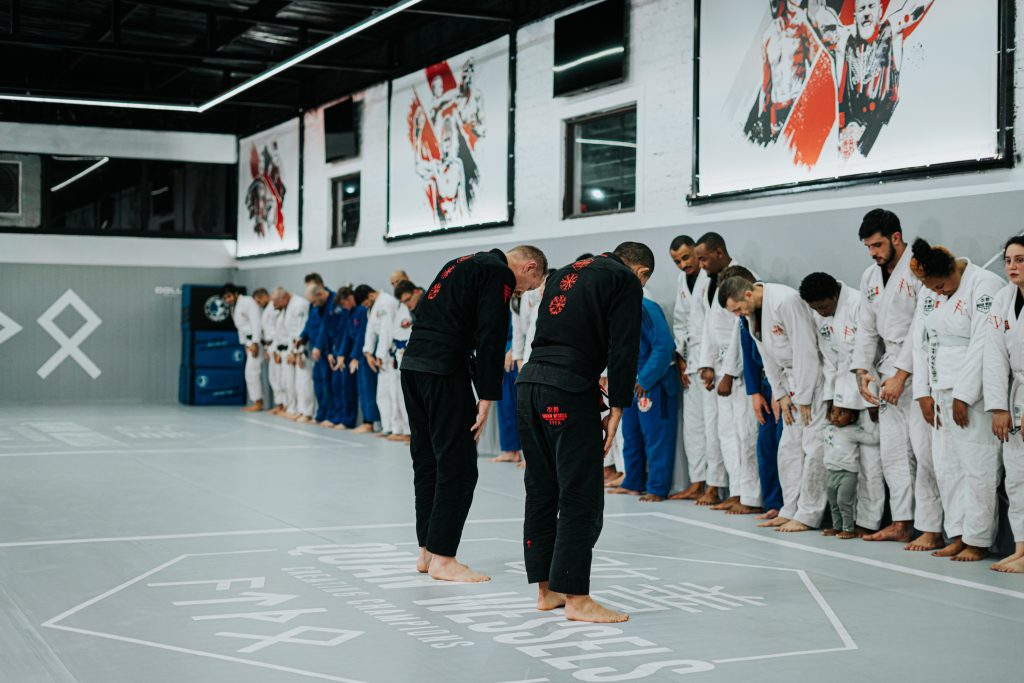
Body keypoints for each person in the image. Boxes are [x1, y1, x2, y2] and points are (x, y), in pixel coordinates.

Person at [401, 245, 546, 583]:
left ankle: (427, 551)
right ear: (528, 266)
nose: (520, 292)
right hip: (443, 370)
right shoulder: (498, 273)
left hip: (413, 366)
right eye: (527, 286)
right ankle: (444, 559)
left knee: (429, 461)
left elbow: (424, 310)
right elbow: (491, 333)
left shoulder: (460, 262)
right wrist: (488, 394)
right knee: (459, 465)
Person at [518, 244, 645, 623]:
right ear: (640, 272)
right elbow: (625, 346)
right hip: (568, 390)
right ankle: (577, 599)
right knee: (580, 494)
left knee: (541, 489)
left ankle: (547, 591)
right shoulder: (624, 280)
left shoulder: (562, 273)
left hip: (529, 386)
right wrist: (618, 405)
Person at [910, 238, 1003, 562]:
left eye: (942, 286)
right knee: (946, 467)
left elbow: (984, 343)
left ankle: (978, 539)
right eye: (932, 288)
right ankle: (958, 534)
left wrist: (963, 395)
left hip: (972, 393)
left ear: (953, 270)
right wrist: (922, 391)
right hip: (938, 389)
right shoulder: (929, 289)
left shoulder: (985, 284)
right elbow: (920, 342)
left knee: (978, 467)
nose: (938, 293)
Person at [852, 209, 932, 544]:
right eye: (868, 247)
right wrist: (862, 370)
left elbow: (922, 326)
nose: (873, 252)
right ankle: (902, 521)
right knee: (893, 453)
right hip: (887, 373)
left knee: (925, 452)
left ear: (896, 238)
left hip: (919, 370)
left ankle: (932, 527)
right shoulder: (870, 276)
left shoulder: (919, 269)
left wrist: (902, 374)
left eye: (877, 244)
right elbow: (866, 329)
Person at [719, 276, 825, 532]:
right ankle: (789, 508)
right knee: (788, 449)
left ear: (747, 294)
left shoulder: (785, 301)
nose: (737, 316)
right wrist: (780, 395)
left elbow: (806, 350)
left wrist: (804, 396)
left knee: (813, 448)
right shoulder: (751, 315)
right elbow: (767, 356)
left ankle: (809, 514)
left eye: (736, 310)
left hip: (812, 382)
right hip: (788, 384)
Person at [800, 272, 885, 537]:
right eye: (815, 309)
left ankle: (868, 521)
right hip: (840, 395)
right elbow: (829, 362)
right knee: (842, 464)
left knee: (871, 465)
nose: (820, 313)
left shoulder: (859, 304)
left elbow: (871, 353)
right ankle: (844, 520)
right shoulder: (819, 315)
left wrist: (869, 397)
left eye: (823, 307)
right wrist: (831, 398)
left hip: (868, 390)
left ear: (835, 295)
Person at [695, 233, 758, 511]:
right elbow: (708, 327)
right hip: (720, 367)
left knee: (745, 434)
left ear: (719, 252)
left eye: (704, 258)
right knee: (724, 434)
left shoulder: (744, 279)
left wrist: (730, 372)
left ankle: (750, 495)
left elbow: (739, 333)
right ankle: (735, 490)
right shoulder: (710, 282)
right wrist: (706, 364)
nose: (701, 265)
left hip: (739, 370)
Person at [608, 279, 678, 502]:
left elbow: (664, 345)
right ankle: (633, 482)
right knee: (630, 434)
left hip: (654, 384)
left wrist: (646, 379)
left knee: (656, 437)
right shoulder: (616, 313)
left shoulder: (645, 307)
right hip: (631, 382)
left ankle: (657, 488)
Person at [727, 265, 783, 519]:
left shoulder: (775, 304)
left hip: (782, 382)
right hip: (763, 384)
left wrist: (778, 388)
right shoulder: (745, 315)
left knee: (786, 446)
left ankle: (788, 505)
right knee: (765, 445)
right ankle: (773, 503)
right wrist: (754, 392)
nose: (738, 313)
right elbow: (749, 355)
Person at [985, 236, 1024, 573]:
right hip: (1015, 395)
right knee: (1016, 477)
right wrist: (999, 406)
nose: (1013, 266)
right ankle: (1021, 548)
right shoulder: (1002, 299)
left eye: (1021, 259)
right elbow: (994, 354)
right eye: (1009, 260)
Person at [668, 235, 710, 501]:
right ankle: (698, 482)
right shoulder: (683, 281)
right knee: (693, 427)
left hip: (712, 365)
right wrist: (681, 358)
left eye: (686, 257)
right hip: (691, 363)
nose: (683, 265)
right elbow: (681, 321)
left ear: (696, 253)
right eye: (677, 261)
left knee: (717, 429)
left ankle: (718, 487)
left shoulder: (714, 278)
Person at [823, 406, 879, 539]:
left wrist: (876, 423)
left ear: (852, 417)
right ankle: (837, 527)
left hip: (847, 473)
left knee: (843, 501)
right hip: (831, 472)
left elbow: (873, 439)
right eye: (833, 412)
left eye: (841, 413)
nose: (836, 416)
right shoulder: (828, 429)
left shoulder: (854, 431)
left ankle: (848, 528)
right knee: (833, 502)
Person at [223, 284, 270, 413]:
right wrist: (244, 344)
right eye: (225, 298)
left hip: (256, 340)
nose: (228, 300)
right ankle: (257, 401)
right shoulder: (234, 307)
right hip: (249, 342)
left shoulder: (248, 302)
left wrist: (255, 342)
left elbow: (256, 322)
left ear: (236, 293)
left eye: (229, 296)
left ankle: (258, 402)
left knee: (252, 372)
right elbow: (241, 328)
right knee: (251, 372)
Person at [364, 283, 400, 437]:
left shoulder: (386, 302)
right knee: (382, 394)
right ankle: (388, 427)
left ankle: (398, 429)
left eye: (365, 302)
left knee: (394, 394)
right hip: (381, 355)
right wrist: (368, 352)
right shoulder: (374, 306)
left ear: (371, 295)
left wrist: (379, 354)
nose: (365, 306)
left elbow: (386, 331)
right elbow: (370, 331)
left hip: (389, 354)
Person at [389, 280, 423, 444]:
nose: (407, 305)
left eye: (408, 300)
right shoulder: (414, 309)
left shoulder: (428, 303)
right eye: (404, 302)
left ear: (416, 291)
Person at [271, 287, 312, 420]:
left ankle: (306, 412)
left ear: (283, 297)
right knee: (293, 384)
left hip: (303, 350)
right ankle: (297, 409)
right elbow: (289, 333)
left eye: (276, 302)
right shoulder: (287, 308)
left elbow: (301, 330)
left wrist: (297, 352)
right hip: (292, 349)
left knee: (304, 383)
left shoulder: (299, 305)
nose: (275, 305)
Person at [346, 286, 383, 433]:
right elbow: (368, 334)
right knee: (365, 390)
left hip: (375, 354)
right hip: (366, 354)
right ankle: (372, 422)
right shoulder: (367, 309)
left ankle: (374, 422)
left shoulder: (384, 303)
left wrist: (359, 354)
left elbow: (363, 335)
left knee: (371, 390)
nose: (364, 306)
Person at [322, 286, 358, 430]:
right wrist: (332, 352)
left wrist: (347, 355)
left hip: (349, 355)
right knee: (336, 387)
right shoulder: (347, 312)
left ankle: (347, 419)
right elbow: (330, 332)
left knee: (348, 389)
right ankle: (337, 417)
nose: (344, 307)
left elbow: (350, 336)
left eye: (344, 304)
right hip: (340, 352)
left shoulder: (356, 311)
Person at [303, 284, 335, 426]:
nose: (314, 305)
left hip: (327, 349)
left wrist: (320, 346)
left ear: (320, 294)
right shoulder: (318, 305)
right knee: (319, 383)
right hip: (317, 350)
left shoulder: (333, 302)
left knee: (329, 384)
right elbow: (310, 325)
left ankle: (331, 415)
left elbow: (326, 329)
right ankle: (321, 413)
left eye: (314, 301)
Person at [261, 293, 284, 414]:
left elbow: (278, 331)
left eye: (259, 300)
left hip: (277, 345)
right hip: (269, 345)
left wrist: (275, 349)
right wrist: (266, 347)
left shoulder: (275, 309)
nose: (259, 303)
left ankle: (284, 405)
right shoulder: (267, 310)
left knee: (281, 378)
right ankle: (279, 404)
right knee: (273, 377)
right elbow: (267, 331)